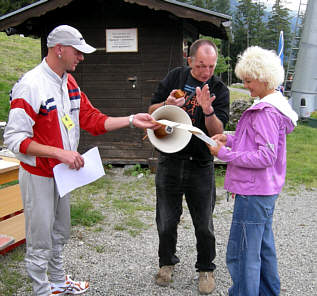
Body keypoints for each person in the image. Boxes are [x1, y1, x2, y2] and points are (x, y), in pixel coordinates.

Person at [4, 25, 159, 296]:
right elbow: (14, 140)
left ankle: (58, 284)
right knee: (40, 239)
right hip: (39, 174)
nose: (82, 57)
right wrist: (58, 152)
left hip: (62, 174)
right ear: (59, 49)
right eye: (78, 51)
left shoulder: (69, 82)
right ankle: (42, 291)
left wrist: (133, 120)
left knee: (59, 232)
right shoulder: (30, 85)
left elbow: (93, 120)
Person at [208, 46, 298, 296]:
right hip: (264, 190)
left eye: (248, 81)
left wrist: (224, 154)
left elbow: (266, 155)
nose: (246, 86)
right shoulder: (276, 106)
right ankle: (268, 292)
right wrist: (229, 137)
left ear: (263, 77)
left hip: (253, 192)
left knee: (242, 252)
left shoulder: (265, 112)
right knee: (262, 248)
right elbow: (256, 140)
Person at [149, 39, 230, 294]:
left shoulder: (219, 88)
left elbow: (219, 133)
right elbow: (151, 111)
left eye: (211, 66)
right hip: (170, 160)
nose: (206, 72)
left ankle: (206, 269)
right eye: (201, 66)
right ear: (189, 61)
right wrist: (167, 106)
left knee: (204, 222)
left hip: (201, 164)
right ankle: (166, 264)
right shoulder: (175, 77)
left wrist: (208, 111)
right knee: (166, 219)